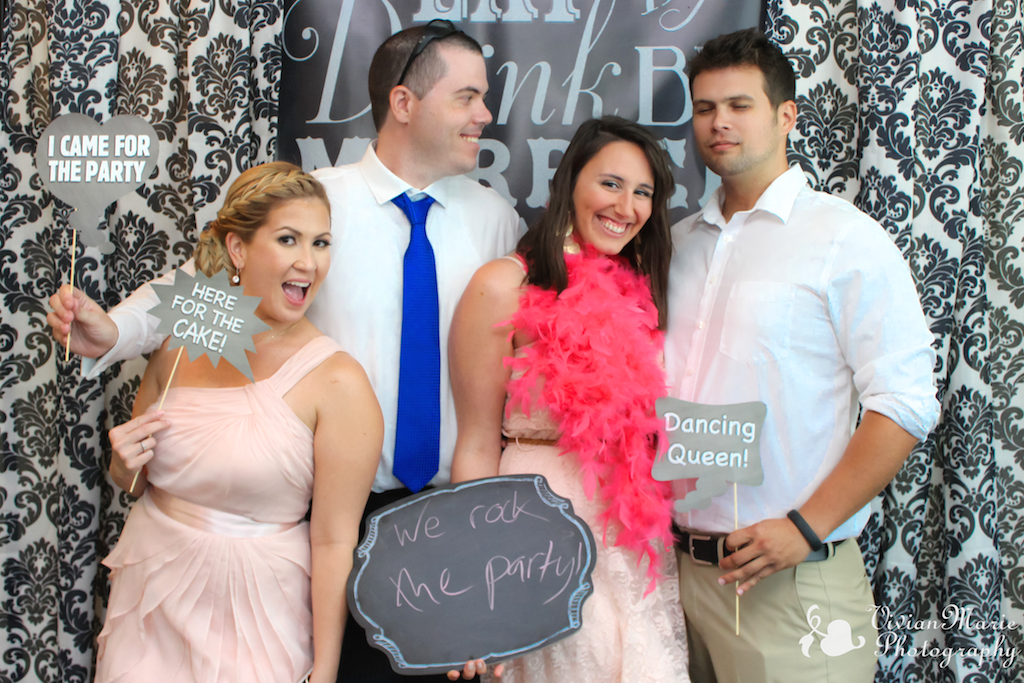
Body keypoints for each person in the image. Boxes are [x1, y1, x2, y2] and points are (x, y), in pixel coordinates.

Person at [47, 20, 521, 683]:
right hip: (327, 519)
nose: (485, 114)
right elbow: (204, 289)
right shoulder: (317, 202)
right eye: (468, 97)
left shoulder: (496, 219)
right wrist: (115, 332)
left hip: (446, 514)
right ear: (404, 102)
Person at [665, 29, 940, 683]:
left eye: (740, 105)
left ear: (785, 115)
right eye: (705, 108)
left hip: (792, 581)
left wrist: (805, 527)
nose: (719, 122)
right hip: (676, 580)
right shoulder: (675, 244)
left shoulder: (844, 239)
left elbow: (905, 403)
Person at [92, 162, 384, 683]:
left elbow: (334, 542)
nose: (308, 262)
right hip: (150, 600)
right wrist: (122, 464)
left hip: (256, 615)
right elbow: (134, 483)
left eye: (320, 243)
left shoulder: (339, 381)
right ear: (238, 249)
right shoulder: (180, 342)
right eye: (288, 239)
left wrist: (325, 670)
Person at [449, 116, 689, 683]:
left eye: (643, 192)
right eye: (610, 183)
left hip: (627, 535)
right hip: (536, 535)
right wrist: (475, 583)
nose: (626, 207)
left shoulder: (641, 291)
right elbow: (477, 444)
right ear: (568, 183)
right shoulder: (501, 286)